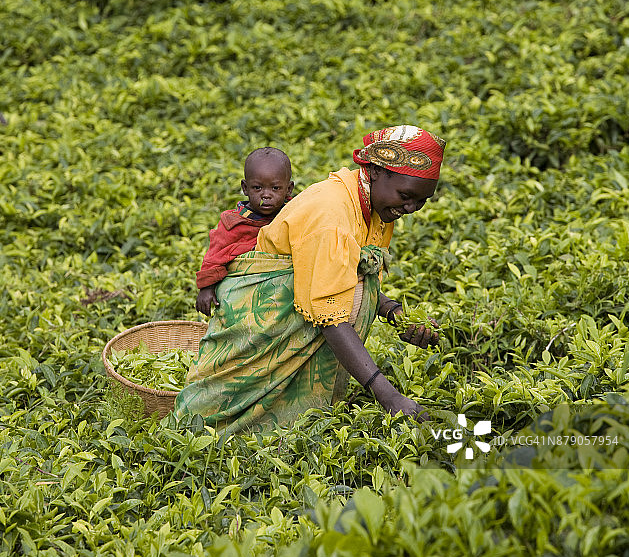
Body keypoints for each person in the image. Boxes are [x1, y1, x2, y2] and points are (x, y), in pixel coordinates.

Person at [177, 125, 444, 433]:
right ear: (375, 172)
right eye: (406, 196)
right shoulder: (332, 214)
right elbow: (329, 314)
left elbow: (351, 276)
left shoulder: (374, 205)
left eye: (421, 201)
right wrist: (388, 396)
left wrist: (395, 313)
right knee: (213, 423)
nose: (411, 208)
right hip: (258, 312)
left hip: (301, 305)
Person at [195, 147, 294, 316]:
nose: (266, 195)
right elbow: (214, 256)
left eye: (275, 188)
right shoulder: (234, 223)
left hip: (283, 290)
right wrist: (207, 287)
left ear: (289, 189)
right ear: (245, 188)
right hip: (244, 293)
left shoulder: (293, 215)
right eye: (257, 188)